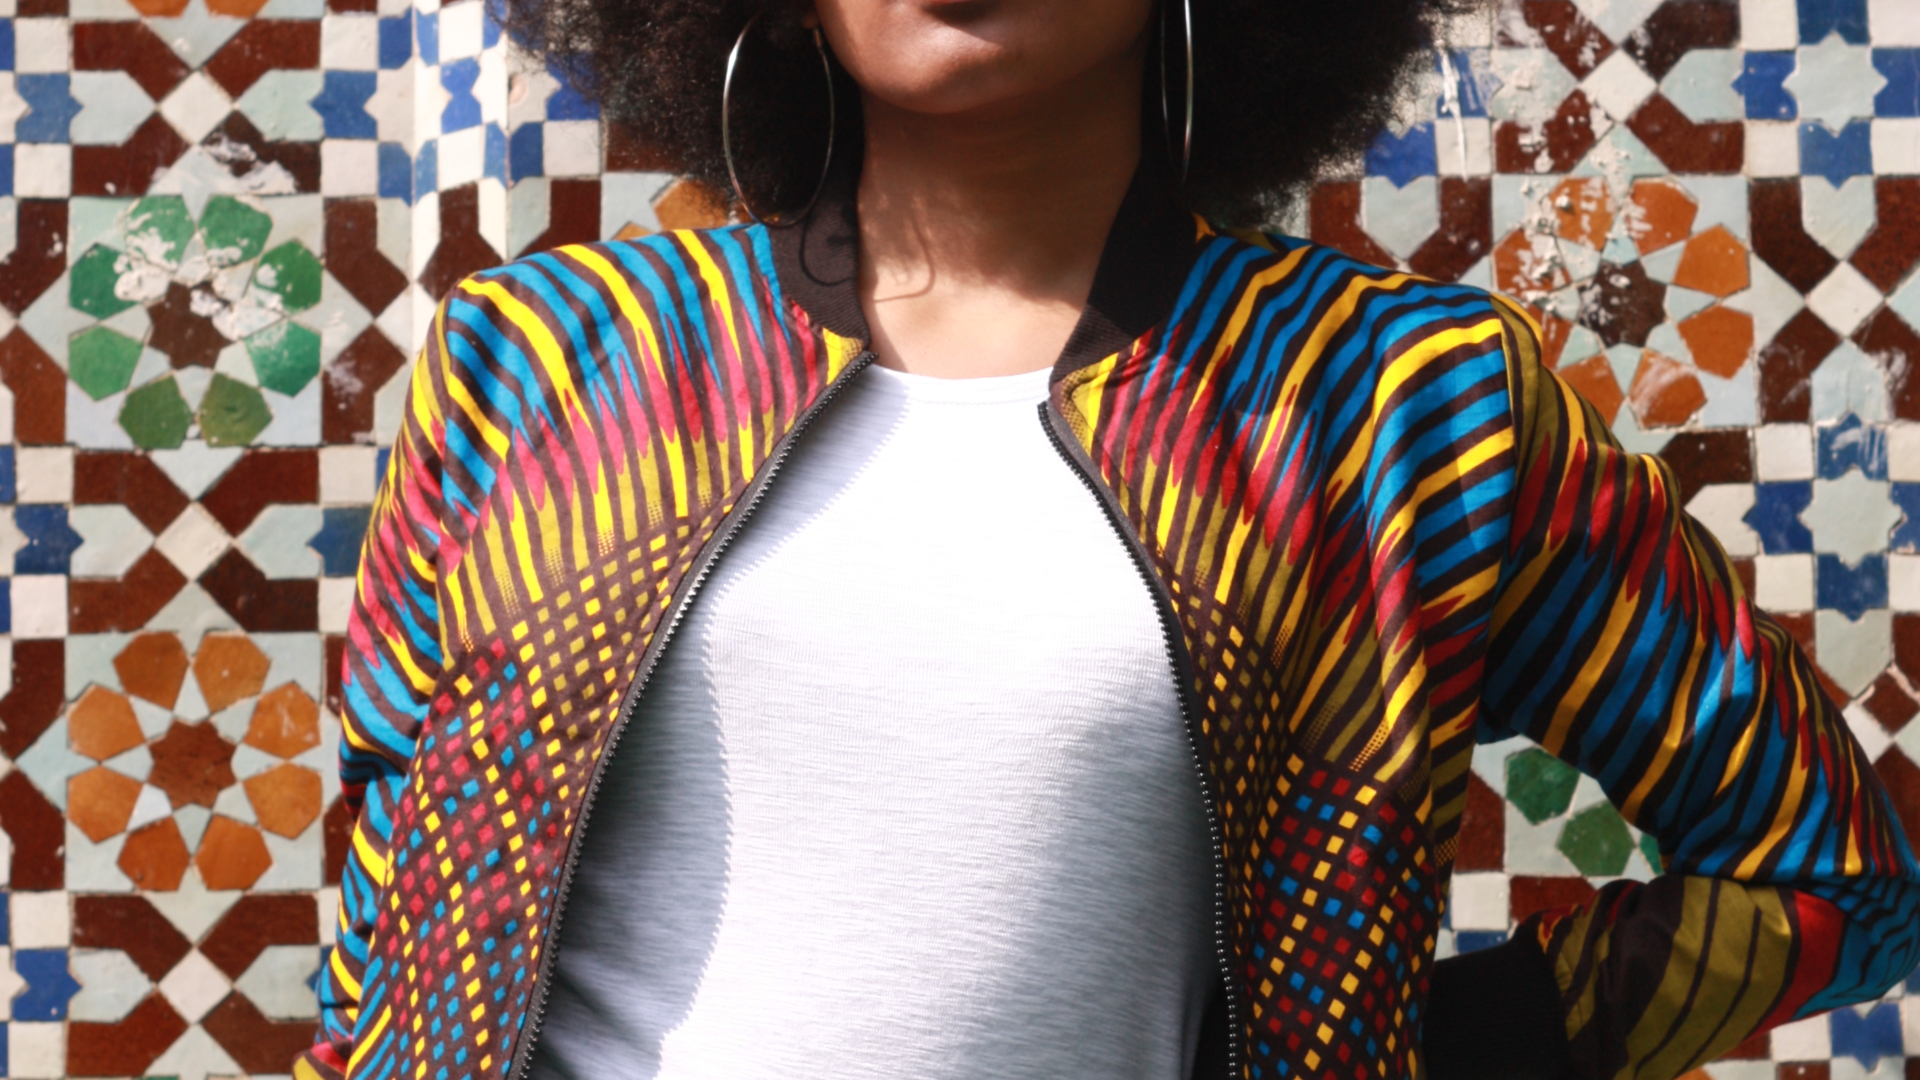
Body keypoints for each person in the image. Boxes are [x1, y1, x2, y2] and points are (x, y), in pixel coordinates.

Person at [295, 1, 1920, 1079]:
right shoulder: (538, 357)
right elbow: (381, 938)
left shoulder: (1413, 408)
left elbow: (1837, 878)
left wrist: (1387, 1049)